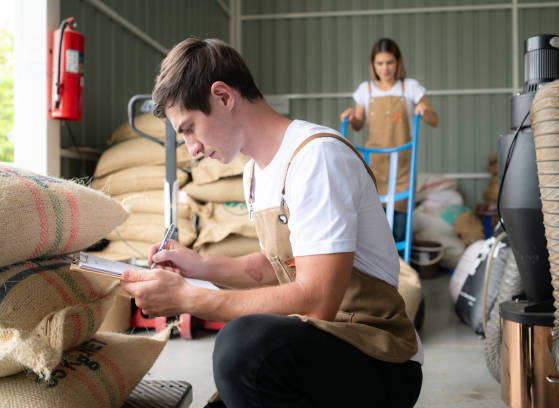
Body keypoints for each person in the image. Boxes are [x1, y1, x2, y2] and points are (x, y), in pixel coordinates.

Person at [120, 38, 423, 408]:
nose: (191, 147)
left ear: (223, 97)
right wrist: (197, 266)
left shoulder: (316, 157)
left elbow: (316, 300)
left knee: (242, 346)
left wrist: (189, 298)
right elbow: (275, 268)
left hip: (378, 354)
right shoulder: (254, 174)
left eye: (189, 128)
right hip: (322, 343)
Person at [341, 38, 439, 242]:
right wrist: (351, 116)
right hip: (373, 166)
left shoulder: (410, 88)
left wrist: (424, 110)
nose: (385, 68)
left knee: (400, 226)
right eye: (380, 63)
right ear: (373, 65)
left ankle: (400, 270)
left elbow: (434, 120)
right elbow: (359, 124)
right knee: (374, 225)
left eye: (389, 63)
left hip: (402, 168)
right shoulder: (365, 90)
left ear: (398, 62)